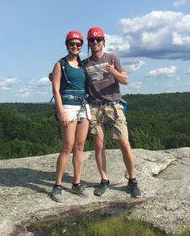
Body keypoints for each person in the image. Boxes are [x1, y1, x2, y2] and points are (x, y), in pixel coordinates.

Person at [83, 26, 141, 198]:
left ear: (103, 42)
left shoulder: (113, 58)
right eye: (92, 40)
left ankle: (132, 180)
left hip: (114, 106)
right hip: (95, 107)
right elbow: (75, 78)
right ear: (88, 43)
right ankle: (104, 179)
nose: (95, 42)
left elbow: (126, 80)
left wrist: (114, 72)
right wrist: (54, 76)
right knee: (99, 145)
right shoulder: (85, 63)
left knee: (124, 143)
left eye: (98, 40)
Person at [50, 30, 91, 202]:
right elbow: (56, 89)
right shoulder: (61, 64)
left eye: (78, 44)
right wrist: (61, 111)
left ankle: (76, 183)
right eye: (72, 44)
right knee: (67, 146)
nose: (75, 46)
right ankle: (57, 185)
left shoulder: (83, 65)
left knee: (80, 146)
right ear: (67, 45)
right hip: (68, 106)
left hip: (83, 106)